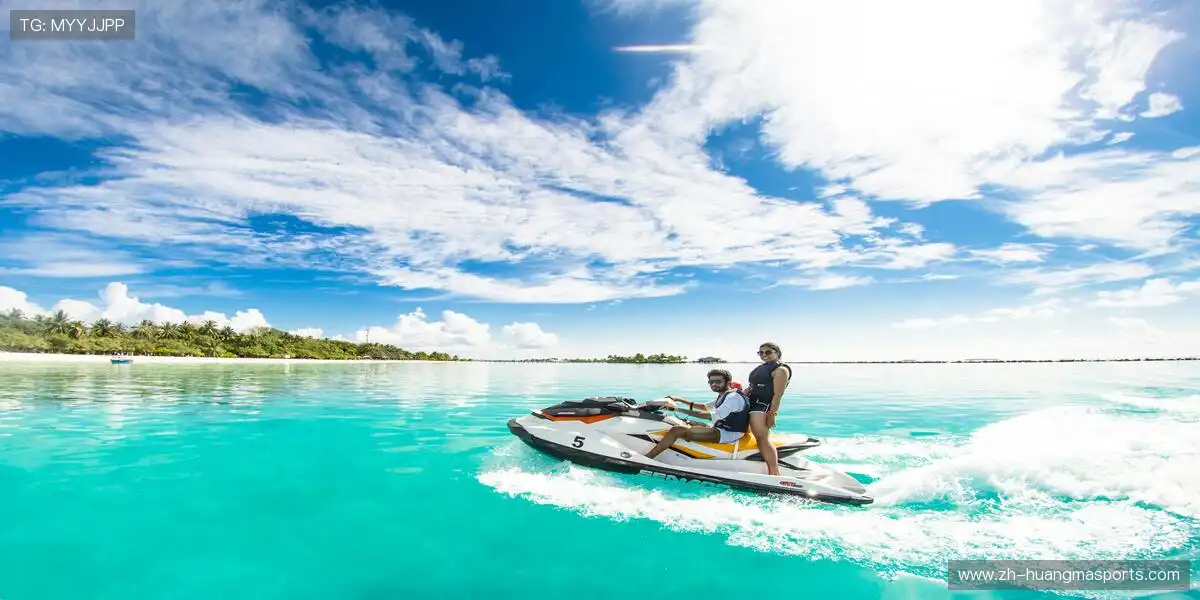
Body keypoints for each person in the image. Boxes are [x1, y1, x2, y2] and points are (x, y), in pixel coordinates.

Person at [642, 369, 751, 459]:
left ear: (728, 383)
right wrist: (679, 399)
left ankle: (648, 458)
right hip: (721, 427)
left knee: (677, 430)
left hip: (728, 434)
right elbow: (705, 407)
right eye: (711, 382)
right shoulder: (724, 394)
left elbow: (711, 416)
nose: (714, 384)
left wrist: (677, 409)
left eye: (718, 382)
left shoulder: (732, 398)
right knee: (683, 422)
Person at [745, 342, 791, 476]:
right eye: (761, 353)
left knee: (762, 438)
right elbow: (754, 385)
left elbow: (778, 394)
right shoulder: (762, 368)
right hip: (751, 402)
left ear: (777, 353)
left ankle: (774, 472)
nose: (764, 355)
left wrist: (772, 414)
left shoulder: (781, 370)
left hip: (762, 406)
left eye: (768, 352)